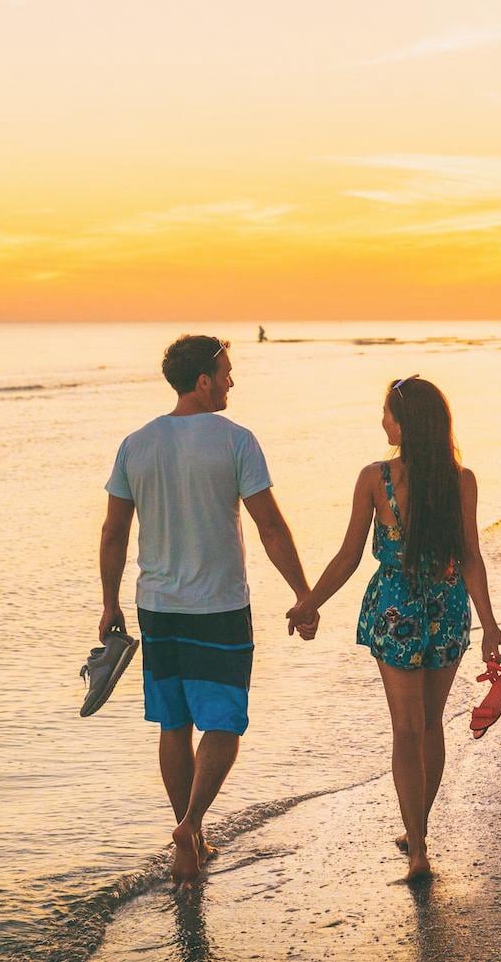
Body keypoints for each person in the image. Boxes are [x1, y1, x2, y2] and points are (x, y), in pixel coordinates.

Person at [99, 334, 313, 884]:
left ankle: (186, 838)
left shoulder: (136, 444)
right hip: (219, 605)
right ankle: (192, 823)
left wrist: (108, 603)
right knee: (223, 724)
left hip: (157, 608)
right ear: (203, 381)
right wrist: (302, 593)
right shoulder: (236, 441)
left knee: (174, 723)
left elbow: (113, 532)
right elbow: (269, 525)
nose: (231, 381)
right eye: (226, 372)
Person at [287, 375, 501, 882]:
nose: (381, 420)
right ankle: (418, 833)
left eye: (387, 412)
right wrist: (490, 623)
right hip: (448, 606)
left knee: (406, 730)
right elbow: (471, 557)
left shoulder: (375, 477)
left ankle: (418, 851)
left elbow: (348, 556)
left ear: (405, 423)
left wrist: (309, 602)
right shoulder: (461, 479)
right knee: (430, 726)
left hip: (396, 610)